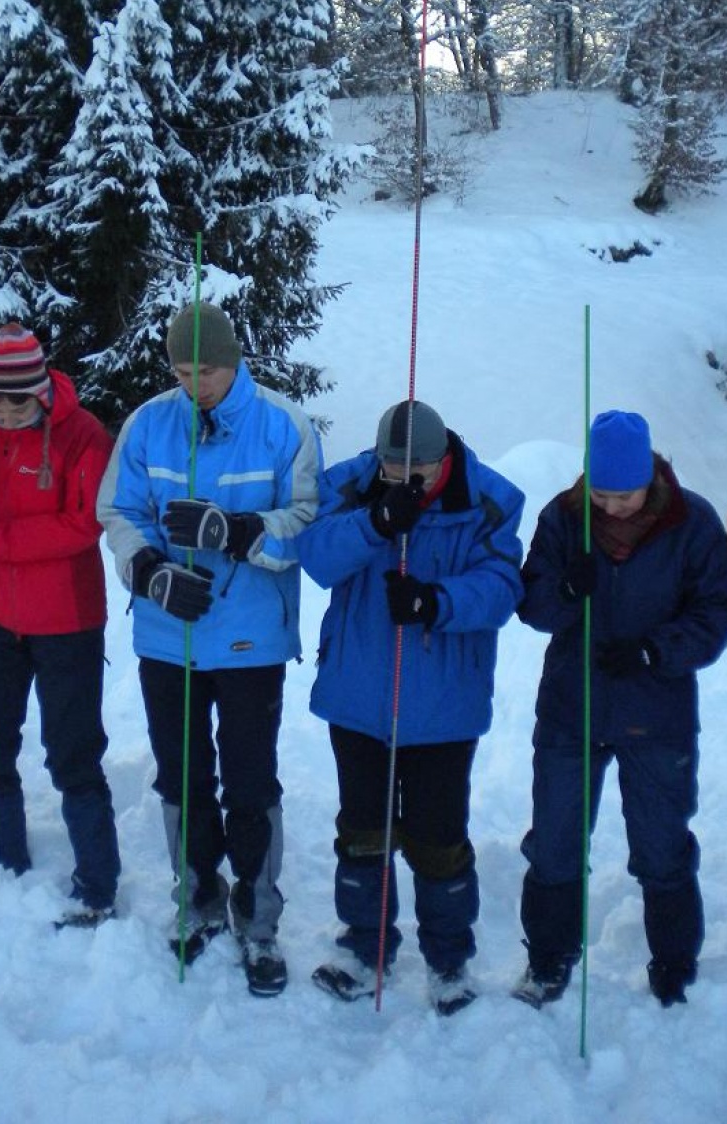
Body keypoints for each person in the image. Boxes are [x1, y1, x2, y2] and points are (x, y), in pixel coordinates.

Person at [97, 302, 320, 996]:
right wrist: (148, 572)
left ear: (236, 360)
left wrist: (238, 531)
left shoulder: (284, 424)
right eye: (184, 370)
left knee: (250, 781)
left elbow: (309, 520)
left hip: (251, 639)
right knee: (183, 774)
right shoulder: (147, 424)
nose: (197, 383)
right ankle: (196, 899)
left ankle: (258, 914)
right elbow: (119, 510)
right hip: (170, 637)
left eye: (210, 370)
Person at [298, 399, 524, 1015]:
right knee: (363, 831)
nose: (406, 482)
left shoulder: (491, 500)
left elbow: (503, 589)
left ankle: (449, 960)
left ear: (442, 457)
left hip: (444, 707)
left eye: (417, 472)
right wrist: (374, 522)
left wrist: (433, 602)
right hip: (359, 697)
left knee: (437, 838)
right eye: (393, 471)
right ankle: (364, 946)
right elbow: (314, 557)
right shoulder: (349, 483)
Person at [516, 410, 727, 1009]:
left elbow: (715, 613)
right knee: (556, 841)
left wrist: (652, 650)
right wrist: (565, 590)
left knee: (662, 843)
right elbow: (532, 604)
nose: (612, 507)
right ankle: (549, 957)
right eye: (603, 494)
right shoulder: (564, 519)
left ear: (651, 480)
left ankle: (673, 960)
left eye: (626, 495)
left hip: (655, 712)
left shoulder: (691, 523)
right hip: (572, 706)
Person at [0, 323, 121, 926]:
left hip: (67, 619)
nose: (3, 412)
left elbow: (84, 524)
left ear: (41, 389)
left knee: (72, 751)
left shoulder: (83, 435)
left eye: (15, 400)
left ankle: (97, 883)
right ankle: (0, 860)